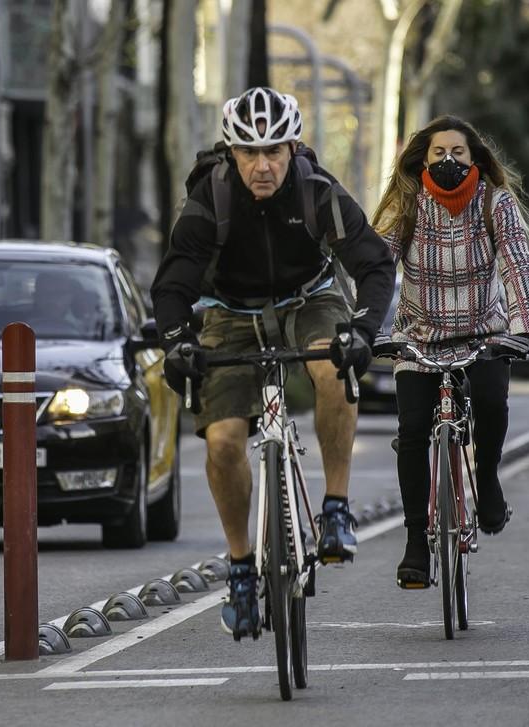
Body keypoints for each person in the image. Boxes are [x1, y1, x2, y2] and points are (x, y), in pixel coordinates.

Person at [150, 86, 395, 639]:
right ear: (231, 154)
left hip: (310, 298)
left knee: (333, 368)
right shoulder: (210, 198)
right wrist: (176, 341)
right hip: (230, 311)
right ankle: (241, 567)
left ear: (293, 148)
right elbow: (173, 282)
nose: (263, 166)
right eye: (249, 154)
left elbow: (375, 265)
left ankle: (334, 507)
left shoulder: (318, 193)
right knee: (223, 440)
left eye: (274, 152)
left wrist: (363, 329)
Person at [369, 115, 529, 589]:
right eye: (439, 152)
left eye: (458, 153)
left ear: (475, 158)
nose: (449, 160)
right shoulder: (406, 203)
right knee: (411, 432)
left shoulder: (494, 203)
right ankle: (414, 543)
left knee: (491, 403)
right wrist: (366, 326)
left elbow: (517, 263)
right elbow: (379, 267)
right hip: (418, 337)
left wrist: (523, 328)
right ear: (423, 158)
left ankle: (486, 479)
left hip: (483, 335)